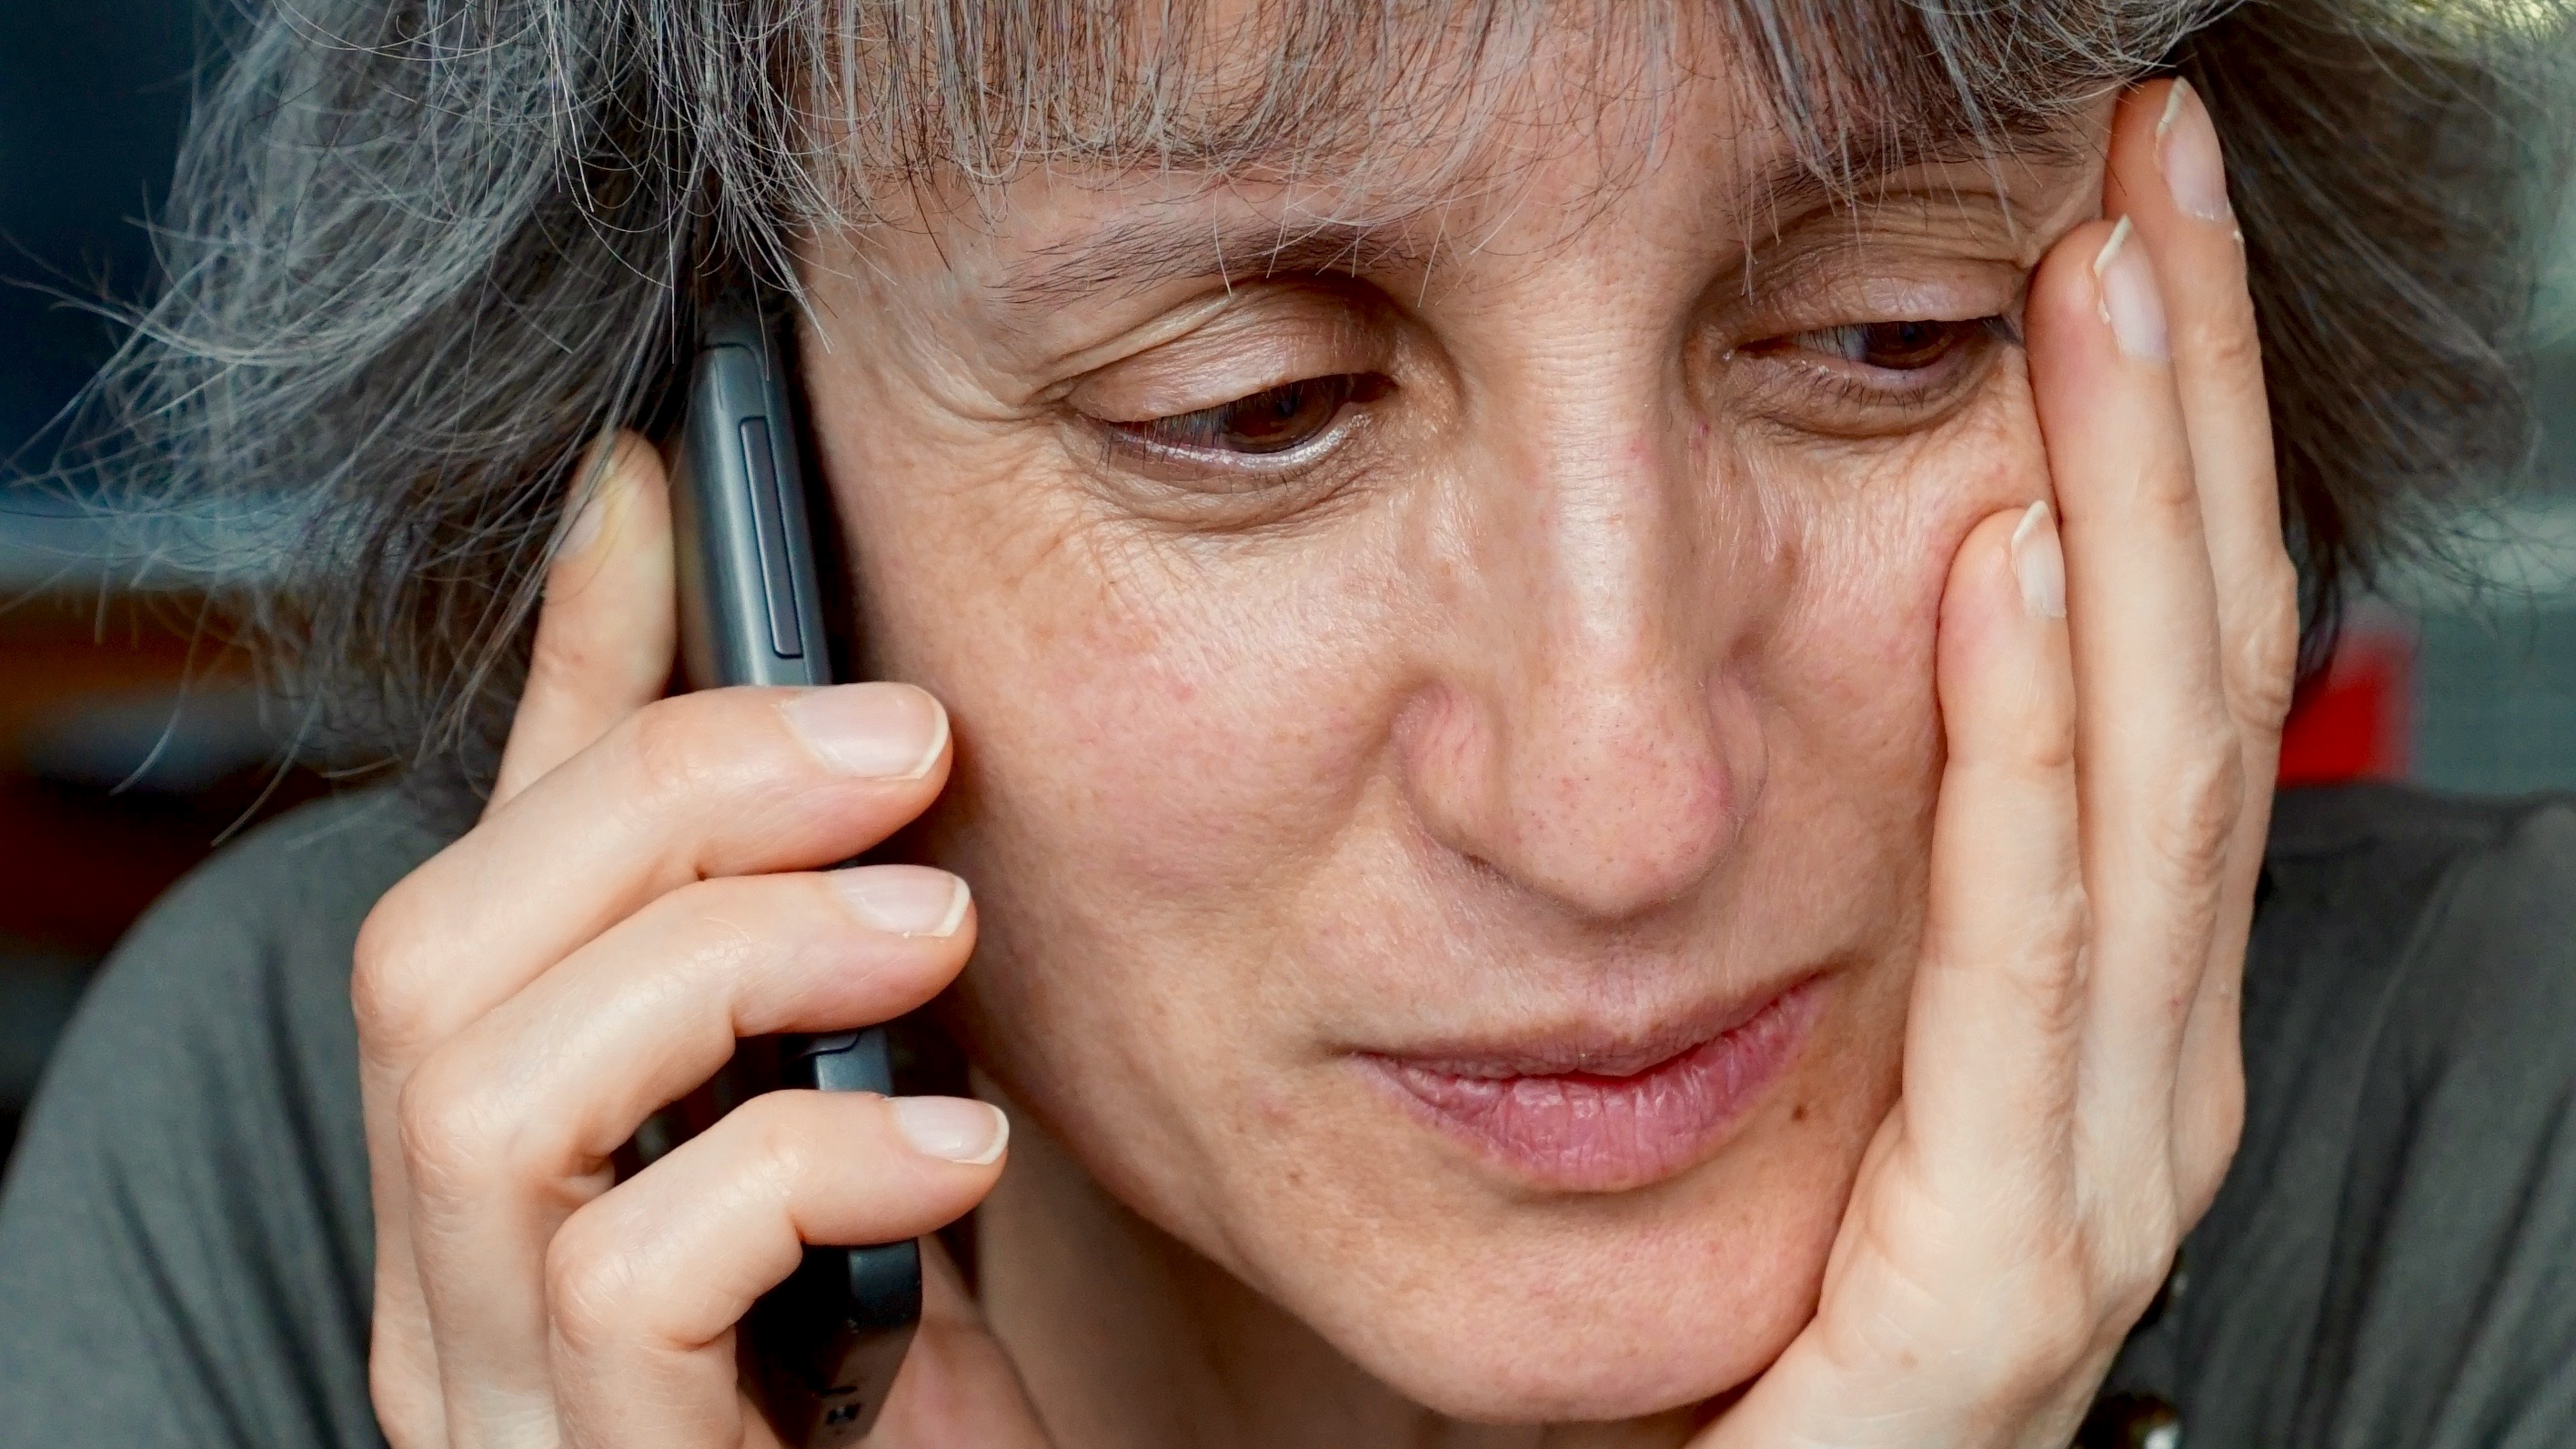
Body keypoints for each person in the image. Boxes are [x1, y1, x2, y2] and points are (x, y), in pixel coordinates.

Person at [4, 1, 2574, 1445]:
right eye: (1246, 415)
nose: (1620, 799)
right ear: (725, 496)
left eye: (1887, 344)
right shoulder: (319, 1164)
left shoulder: (2512, 1140)